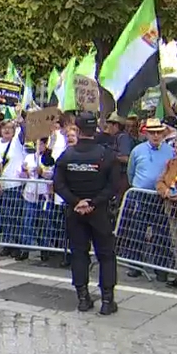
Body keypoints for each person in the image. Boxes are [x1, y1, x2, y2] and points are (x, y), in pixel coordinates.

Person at [54, 112, 120, 315]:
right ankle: (107, 300)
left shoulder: (68, 155)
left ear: (78, 129)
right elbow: (113, 186)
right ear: (96, 129)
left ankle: (83, 297)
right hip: (98, 211)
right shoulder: (106, 154)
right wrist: (93, 202)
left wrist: (76, 202)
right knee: (106, 255)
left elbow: (58, 184)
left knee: (79, 254)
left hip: (76, 211)